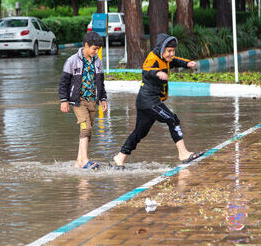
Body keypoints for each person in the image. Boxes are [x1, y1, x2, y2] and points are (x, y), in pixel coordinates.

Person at [111, 33, 202, 169]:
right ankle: (183, 154)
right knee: (172, 119)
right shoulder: (152, 58)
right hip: (149, 100)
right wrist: (157, 73)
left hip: (146, 101)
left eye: (173, 51)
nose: (171, 54)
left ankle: (119, 157)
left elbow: (175, 60)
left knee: (140, 132)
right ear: (161, 49)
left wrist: (187, 63)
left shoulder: (165, 57)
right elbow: (146, 71)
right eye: (169, 51)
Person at [59, 32, 108, 169]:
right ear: (86, 45)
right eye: (94, 48)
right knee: (85, 127)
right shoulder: (72, 60)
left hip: (93, 100)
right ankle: (85, 159)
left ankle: (78, 161)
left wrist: (103, 99)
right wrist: (64, 100)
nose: (96, 51)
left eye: (98, 49)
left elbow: (101, 83)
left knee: (89, 130)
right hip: (78, 100)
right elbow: (63, 82)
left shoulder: (98, 62)